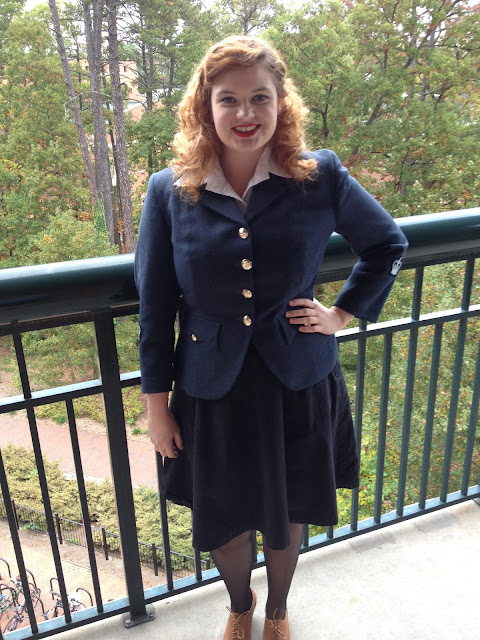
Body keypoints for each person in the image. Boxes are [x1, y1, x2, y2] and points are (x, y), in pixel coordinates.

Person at [134, 35, 408, 640]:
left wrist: (341, 314)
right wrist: (156, 407)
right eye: (228, 99)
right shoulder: (169, 190)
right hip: (211, 389)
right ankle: (241, 604)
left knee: (291, 508)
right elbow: (155, 308)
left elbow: (387, 244)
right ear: (204, 106)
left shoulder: (317, 175)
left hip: (298, 378)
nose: (245, 113)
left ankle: (278, 609)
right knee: (225, 516)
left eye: (260, 97)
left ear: (282, 102)